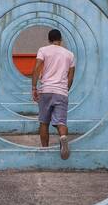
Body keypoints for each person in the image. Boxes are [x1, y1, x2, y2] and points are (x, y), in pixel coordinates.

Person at [31, 29, 75, 160]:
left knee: (44, 122)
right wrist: (65, 89)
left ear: (49, 39)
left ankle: (45, 149)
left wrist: (34, 87)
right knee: (61, 122)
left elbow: (37, 67)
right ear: (60, 40)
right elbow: (71, 76)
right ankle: (63, 137)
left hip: (46, 90)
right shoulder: (69, 54)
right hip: (61, 91)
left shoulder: (43, 50)